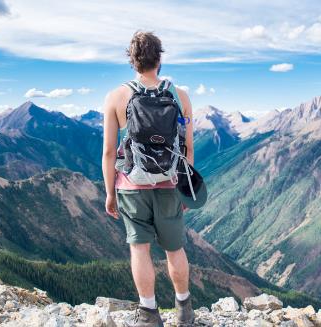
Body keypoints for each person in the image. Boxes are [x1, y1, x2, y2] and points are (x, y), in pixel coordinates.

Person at [102, 30, 195, 327]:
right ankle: (184, 310)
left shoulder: (116, 97)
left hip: (131, 186)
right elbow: (187, 147)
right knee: (174, 248)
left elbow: (107, 152)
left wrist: (110, 193)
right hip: (169, 184)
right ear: (160, 58)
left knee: (139, 249)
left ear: (132, 61)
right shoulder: (180, 97)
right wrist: (186, 188)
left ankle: (149, 313)